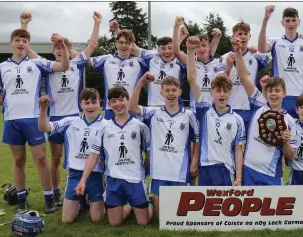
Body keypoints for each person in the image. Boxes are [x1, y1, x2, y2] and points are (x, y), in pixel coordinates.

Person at [22, 11, 101, 207]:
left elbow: (92, 46)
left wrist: (97, 22)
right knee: (56, 158)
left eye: (62, 47)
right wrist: (24, 25)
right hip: (55, 117)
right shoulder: (47, 66)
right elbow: (27, 49)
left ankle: (83, 192)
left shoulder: (77, 64)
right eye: (56, 47)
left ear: (68, 48)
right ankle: (57, 192)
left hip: (76, 116)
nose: (59, 50)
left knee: (79, 156)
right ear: (53, 50)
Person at [0, 29, 71, 213]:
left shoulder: (37, 63)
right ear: (11, 43)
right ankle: (21, 200)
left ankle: (49, 199)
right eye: (17, 40)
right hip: (11, 121)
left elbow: (64, 66)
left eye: (24, 40)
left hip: (33, 120)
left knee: (41, 159)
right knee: (18, 160)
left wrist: (64, 46)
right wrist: (10, 102)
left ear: (28, 44)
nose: (21, 43)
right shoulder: (0, 68)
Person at [75, 86, 152, 226]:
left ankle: (148, 204)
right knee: (115, 223)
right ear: (109, 105)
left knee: (143, 222)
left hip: (135, 180)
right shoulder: (104, 128)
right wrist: (83, 180)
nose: (118, 104)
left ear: (128, 101)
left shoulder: (140, 127)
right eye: (114, 101)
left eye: (121, 100)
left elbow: (149, 154)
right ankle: (129, 205)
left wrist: (146, 172)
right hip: (113, 181)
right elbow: (93, 156)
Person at [129, 72, 199, 218]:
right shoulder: (153, 113)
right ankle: (149, 203)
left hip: (180, 172)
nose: (171, 93)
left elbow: (196, 141)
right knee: (163, 218)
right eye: (167, 90)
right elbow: (132, 107)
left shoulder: (189, 115)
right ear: (161, 92)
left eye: (174, 90)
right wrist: (142, 81)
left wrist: (194, 163)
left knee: (177, 218)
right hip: (159, 171)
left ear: (180, 92)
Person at [37, 89, 106, 223]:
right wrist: (44, 108)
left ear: (100, 103)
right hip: (75, 174)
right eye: (86, 103)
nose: (90, 106)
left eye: (94, 102)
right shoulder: (70, 121)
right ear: (81, 104)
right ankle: (80, 202)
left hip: (96, 175)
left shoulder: (106, 125)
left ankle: (92, 198)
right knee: (67, 220)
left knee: (97, 218)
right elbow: (43, 127)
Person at [236, 35, 296, 186]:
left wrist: (286, 142)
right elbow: (244, 77)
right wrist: (238, 52)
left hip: (271, 174)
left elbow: (290, 157)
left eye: (277, 91)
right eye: (271, 91)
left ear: (284, 94)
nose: (274, 94)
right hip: (248, 169)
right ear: (266, 93)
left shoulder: (290, 121)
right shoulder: (258, 104)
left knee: (273, 210)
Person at [186, 36, 245, 187]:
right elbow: (192, 79)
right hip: (206, 167)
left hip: (226, 169)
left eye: (225, 91)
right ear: (211, 93)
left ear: (230, 93)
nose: (222, 95)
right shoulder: (204, 110)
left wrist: (238, 178)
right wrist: (190, 50)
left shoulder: (237, 119)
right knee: (206, 209)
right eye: (218, 91)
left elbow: (238, 150)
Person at [257, 5, 303, 118]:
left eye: (294, 20)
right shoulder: (275, 42)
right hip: (279, 97)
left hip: (300, 97)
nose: (291, 24)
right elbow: (261, 48)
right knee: (278, 133)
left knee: (298, 134)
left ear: (299, 21)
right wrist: (265, 19)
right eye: (287, 20)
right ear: (282, 22)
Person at [90, 21, 149, 119]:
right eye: (121, 42)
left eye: (127, 43)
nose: (124, 46)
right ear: (116, 44)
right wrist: (67, 50)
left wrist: (117, 30)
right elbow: (84, 59)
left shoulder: (140, 62)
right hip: (110, 109)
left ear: (132, 45)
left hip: (131, 109)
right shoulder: (106, 59)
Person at [221, 20, 270, 129]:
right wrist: (228, 68)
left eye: (245, 34)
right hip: (229, 106)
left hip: (250, 107)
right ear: (233, 36)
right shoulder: (224, 58)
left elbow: (270, 61)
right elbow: (219, 84)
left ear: (249, 36)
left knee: (249, 143)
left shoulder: (256, 56)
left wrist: (257, 50)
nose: (243, 37)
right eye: (239, 34)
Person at [170, 16, 224, 112]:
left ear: (209, 47)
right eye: (197, 46)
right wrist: (176, 27)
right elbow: (175, 51)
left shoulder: (219, 63)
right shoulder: (191, 61)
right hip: (195, 111)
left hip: (214, 112)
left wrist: (217, 37)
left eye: (204, 45)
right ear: (194, 49)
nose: (201, 49)